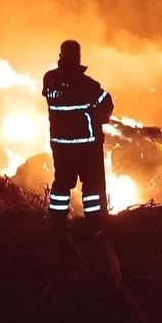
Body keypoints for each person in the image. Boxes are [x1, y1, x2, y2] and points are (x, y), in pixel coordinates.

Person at [42, 39, 114, 223]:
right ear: (78, 57)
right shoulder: (87, 84)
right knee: (91, 185)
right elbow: (107, 102)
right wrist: (99, 119)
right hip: (86, 146)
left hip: (61, 145)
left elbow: (50, 94)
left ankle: (57, 222)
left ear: (61, 56)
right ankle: (94, 222)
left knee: (62, 183)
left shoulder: (50, 80)